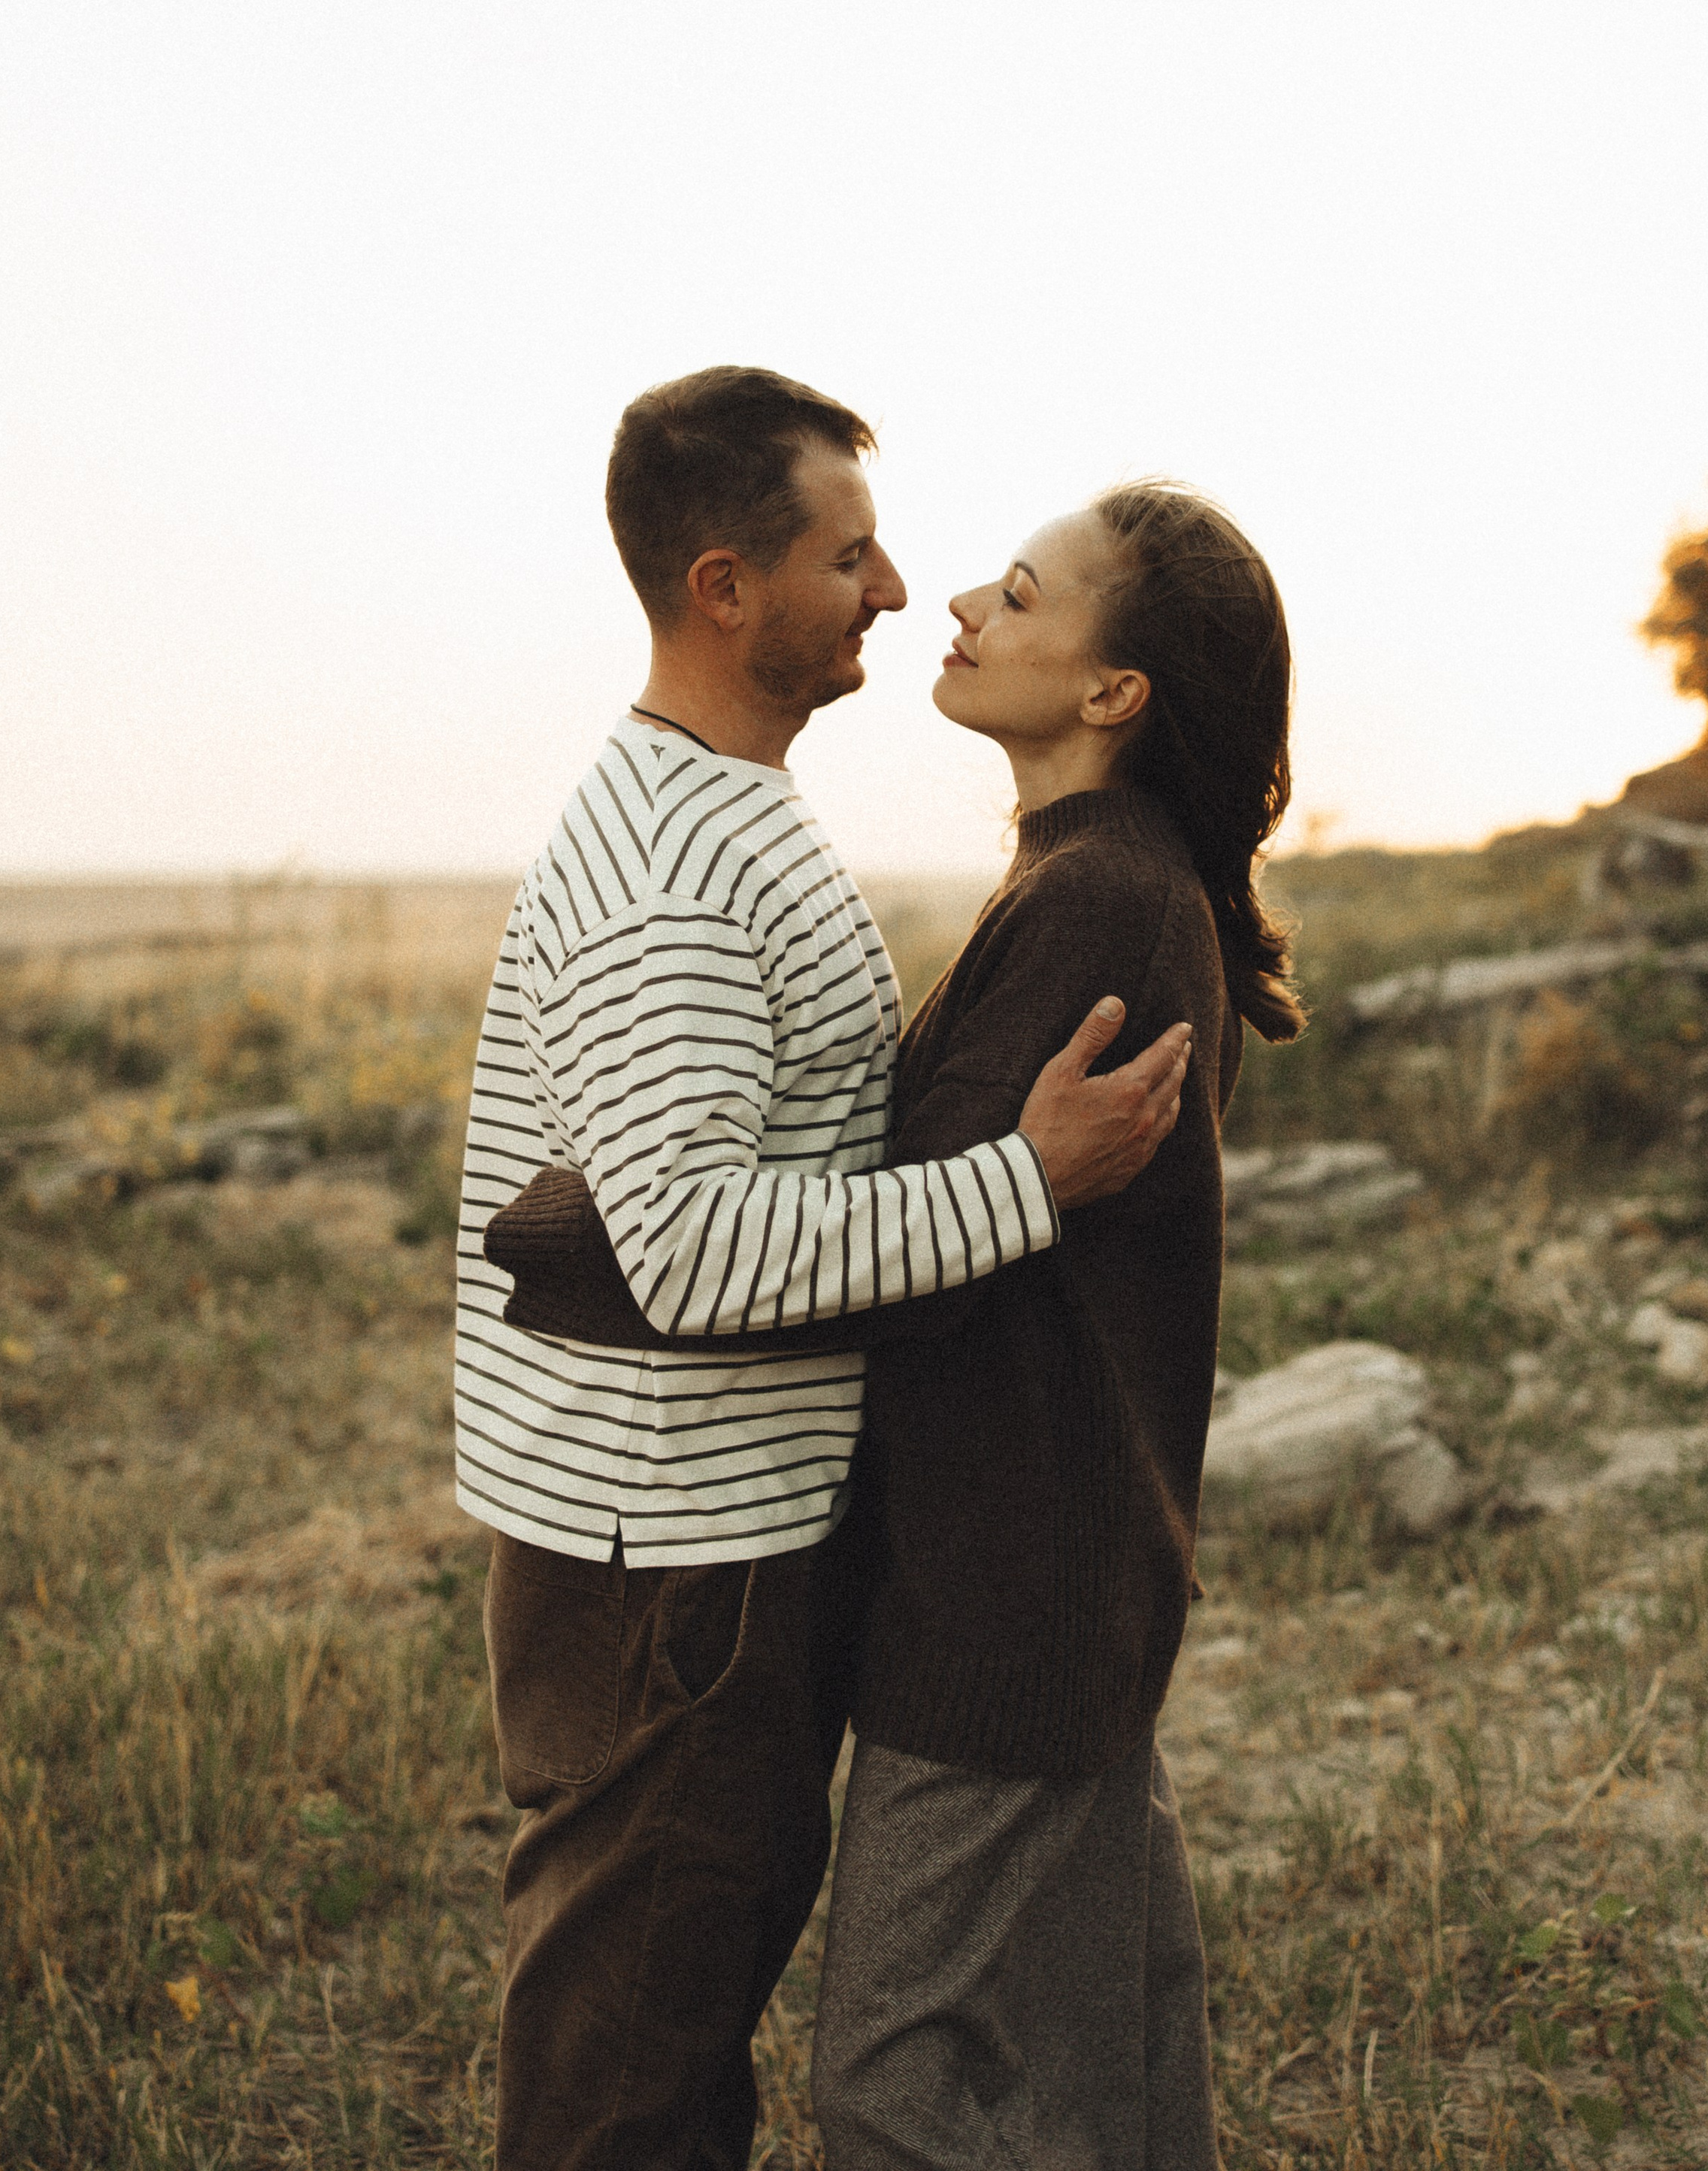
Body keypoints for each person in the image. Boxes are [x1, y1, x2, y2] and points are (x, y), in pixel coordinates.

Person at [498, 477, 1303, 2170]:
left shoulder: (1095, 903)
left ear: (1112, 694)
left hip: (999, 1601)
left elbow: (914, 1232)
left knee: (900, 2089)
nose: (953, 605)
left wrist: (583, 1231)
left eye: (1021, 595)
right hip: (1058, 1574)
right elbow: (930, 1198)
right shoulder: (1101, 881)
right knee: (1102, 2071)